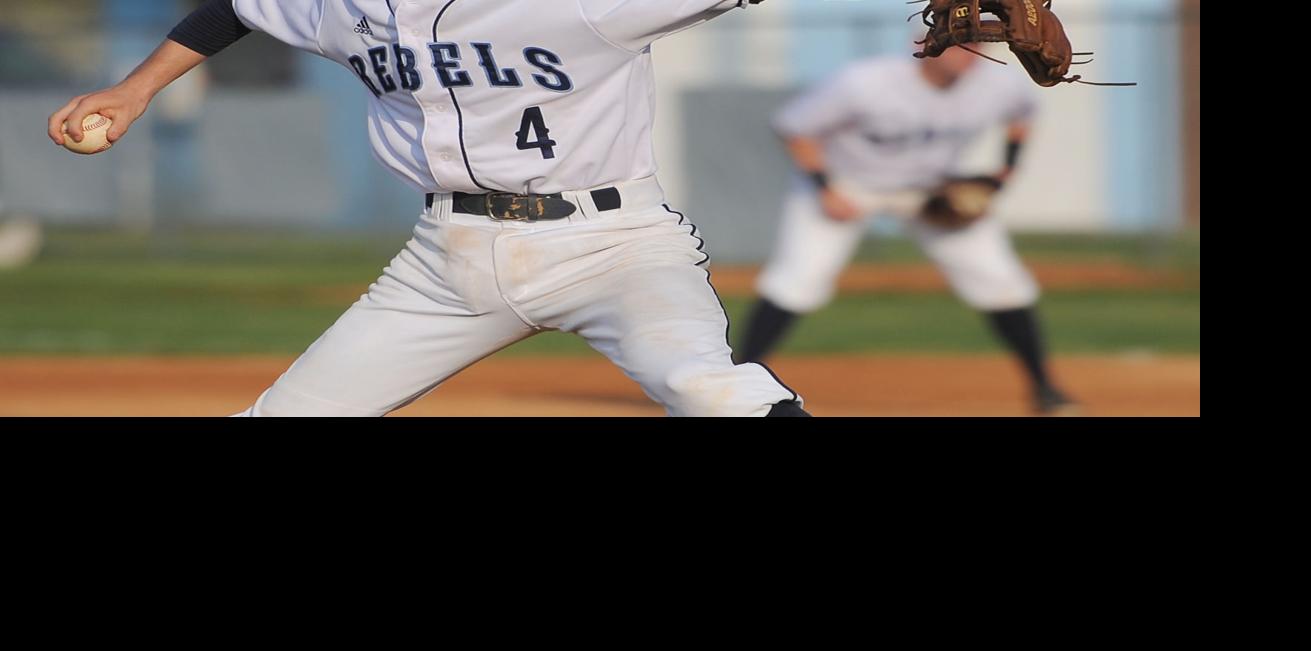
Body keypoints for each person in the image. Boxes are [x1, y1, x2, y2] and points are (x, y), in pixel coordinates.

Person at [48, 0, 808, 417]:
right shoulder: (342, 8)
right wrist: (135, 88)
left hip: (614, 245)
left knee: (706, 390)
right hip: (446, 261)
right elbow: (236, 8)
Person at [735, 47, 1078, 415]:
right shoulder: (865, 81)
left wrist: (1003, 173)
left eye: (977, 44)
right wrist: (825, 187)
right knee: (797, 280)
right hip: (846, 183)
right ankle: (735, 385)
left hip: (932, 192)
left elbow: (1023, 115)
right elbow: (795, 128)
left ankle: (1045, 388)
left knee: (1000, 280)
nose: (971, 53)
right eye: (960, 42)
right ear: (928, 43)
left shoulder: (999, 84)